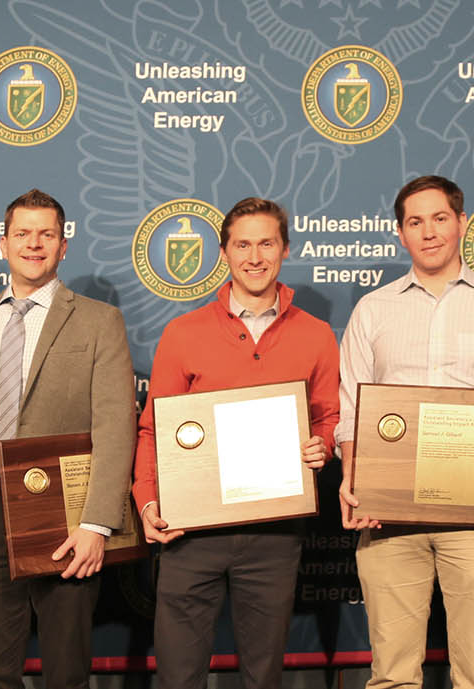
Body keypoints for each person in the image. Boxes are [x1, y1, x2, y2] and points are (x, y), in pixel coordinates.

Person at [336, 175, 474, 689]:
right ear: (401, 234)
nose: (429, 232)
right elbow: (351, 412)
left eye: (439, 218)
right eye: (415, 222)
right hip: (387, 518)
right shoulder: (372, 310)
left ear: (462, 223)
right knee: (392, 677)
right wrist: (353, 478)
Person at [131, 197, 339, 689]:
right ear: (224, 252)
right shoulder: (183, 333)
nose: (255, 256)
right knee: (180, 676)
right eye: (242, 244)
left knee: (263, 676)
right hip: (191, 531)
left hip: (274, 533)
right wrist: (146, 500)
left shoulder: (317, 335)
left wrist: (322, 446)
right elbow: (152, 429)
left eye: (266, 243)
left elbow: (328, 418)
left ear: (285, 249)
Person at [0, 189, 135, 688]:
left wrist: (97, 524)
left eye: (47, 234)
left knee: (66, 671)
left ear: (64, 246)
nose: (34, 244)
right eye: (22, 233)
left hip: (66, 513)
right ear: (2, 243)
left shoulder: (98, 320)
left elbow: (115, 425)